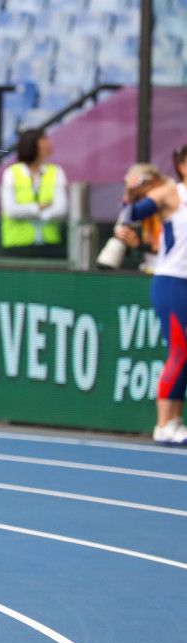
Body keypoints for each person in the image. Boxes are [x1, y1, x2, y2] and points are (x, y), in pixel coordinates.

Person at [115, 162, 187, 445]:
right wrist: (130, 191)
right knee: (179, 352)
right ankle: (163, 424)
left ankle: (175, 421)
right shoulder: (169, 193)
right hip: (173, 281)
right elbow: (129, 215)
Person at [0, 128, 69, 256]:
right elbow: (11, 210)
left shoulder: (56, 172)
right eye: (44, 139)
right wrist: (40, 207)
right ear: (31, 144)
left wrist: (30, 212)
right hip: (16, 245)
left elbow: (62, 209)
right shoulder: (11, 173)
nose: (50, 143)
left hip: (50, 246)